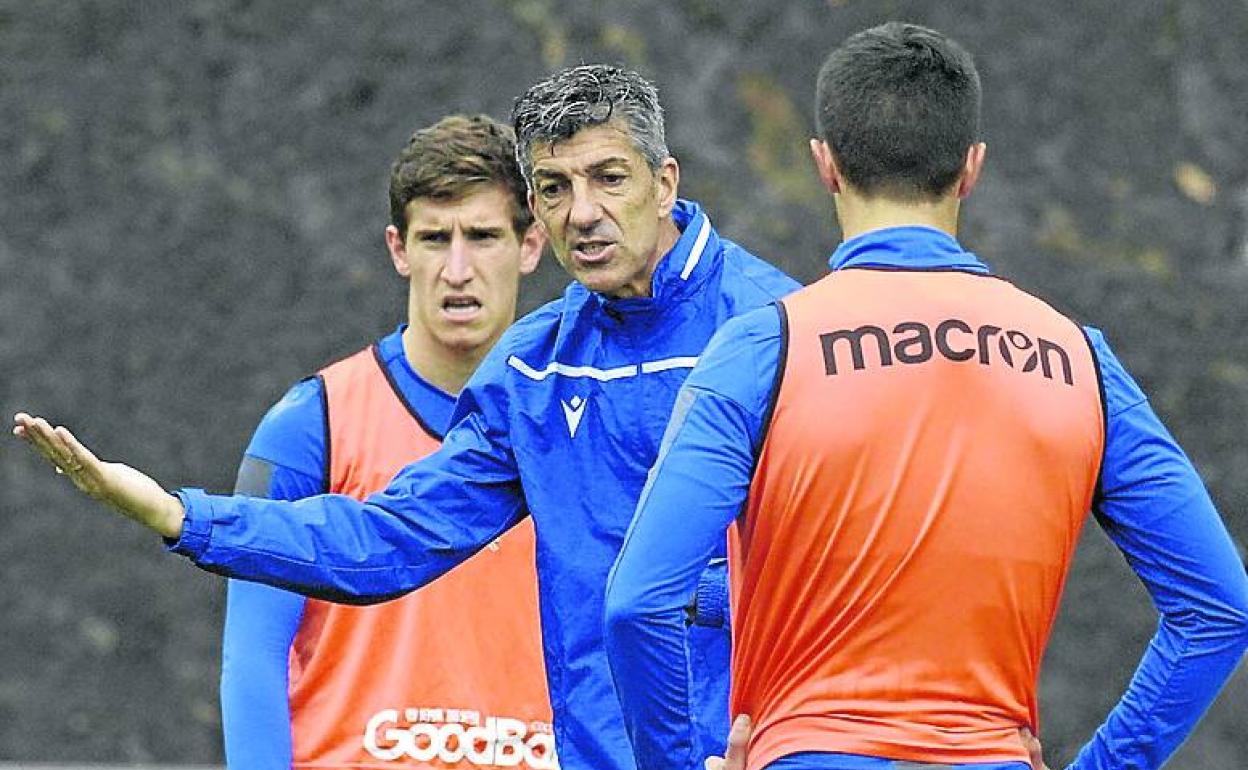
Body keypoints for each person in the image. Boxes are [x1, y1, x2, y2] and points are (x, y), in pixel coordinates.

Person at [12, 65, 800, 770]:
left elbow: (864, 555)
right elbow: (390, 541)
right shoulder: (533, 367)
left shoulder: (779, 325)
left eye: (609, 179)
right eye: (555, 188)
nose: (583, 212)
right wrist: (182, 516)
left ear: (664, 183)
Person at [603, 22, 1248, 770]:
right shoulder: (1079, 359)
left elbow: (639, 603)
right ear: (971, 168)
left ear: (826, 164)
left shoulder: (764, 349)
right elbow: (1219, 609)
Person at [218, 115, 554, 770]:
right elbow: (252, 659)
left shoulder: (581, 421)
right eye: (436, 238)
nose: (458, 269)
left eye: (483, 237)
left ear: (531, 245)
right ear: (400, 250)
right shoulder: (311, 426)